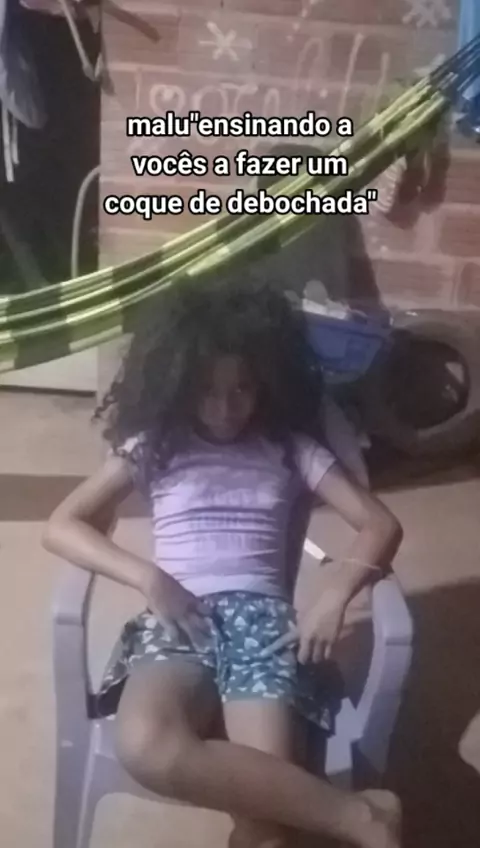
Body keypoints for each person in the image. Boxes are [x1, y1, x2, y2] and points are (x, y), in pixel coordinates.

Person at [43, 276, 403, 848]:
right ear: (178, 382)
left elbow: (380, 524)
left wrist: (335, 594)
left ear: (267, 381)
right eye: (206, 390)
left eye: (242, 388)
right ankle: (357, 815)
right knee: (146, 743)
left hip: (263, 626)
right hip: (178, 614)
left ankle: (352, 818)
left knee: (265, 823)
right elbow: (63, 524)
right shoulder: (156, 445)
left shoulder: (290, 448)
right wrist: (148, 577)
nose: (225, 408)